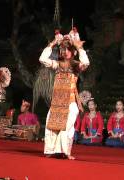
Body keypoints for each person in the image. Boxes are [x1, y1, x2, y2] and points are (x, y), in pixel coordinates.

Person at [39, 28, 90, 160]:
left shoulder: (75, 66)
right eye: (62, 49)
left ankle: (65, 151)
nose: (64, 51)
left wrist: (79, 48)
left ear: (72, 51)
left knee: (67, 127)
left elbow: (86, 63)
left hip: (71, 101)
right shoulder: (57, 65)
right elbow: (42, 59)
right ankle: (51, 150)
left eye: (67, 49)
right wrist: (52, 44)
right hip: (57, 101)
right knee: (51, 125)